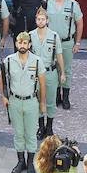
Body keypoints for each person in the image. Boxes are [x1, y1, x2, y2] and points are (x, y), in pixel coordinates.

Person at [0, 31, 47, 173]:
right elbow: (1, 78)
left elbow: (42, 84)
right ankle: (21, 162)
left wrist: (42, 103)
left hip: (31, 101)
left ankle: (30, 163)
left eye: (25, 43)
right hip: (14, 101)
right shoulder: (9, 60)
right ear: (16, 43)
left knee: (31, 134)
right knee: (19, 134)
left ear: (29, 44)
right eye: (20, 42)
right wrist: (3, 96)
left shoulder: (37, 61)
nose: (22, 45)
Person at [43, 0, 83, 110]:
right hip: (51, 43)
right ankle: (56, 96)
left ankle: (65, 97)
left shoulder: (73, 4)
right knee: (53, 69)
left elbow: (79, 23)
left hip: (66, 42)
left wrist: (77, 42)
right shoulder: (46, 3)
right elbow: (40, 20)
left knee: (66, 69)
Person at [29, 9, 65, 140]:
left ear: (47, 20)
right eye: (38, 19)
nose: (40, 21)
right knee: (37, 100)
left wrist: (63, 72)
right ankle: (41, 127)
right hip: (35, 73)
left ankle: (49, 127)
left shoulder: (54, 36)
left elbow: (59, 55)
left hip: (50, 72)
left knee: (50, 100)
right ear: (35, 20)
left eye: (43, 19)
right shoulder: (30, 35)